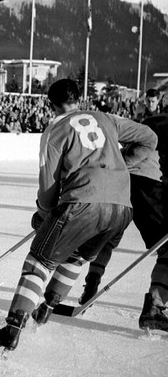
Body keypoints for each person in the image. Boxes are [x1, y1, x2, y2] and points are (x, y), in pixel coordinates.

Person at [0, 79, 158, 351]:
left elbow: (48, 185)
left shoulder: (55, 129)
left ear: (50, 104)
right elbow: (149, 138)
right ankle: (47, 307)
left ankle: (12, 327)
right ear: (78, 99)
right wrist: (121, 166)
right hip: (122, 208)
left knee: (39, 259)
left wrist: (44, 214)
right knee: (76, 257)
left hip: (83, 203)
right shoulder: (104, 118)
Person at [78, 112, 168, 331]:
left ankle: (93, 279)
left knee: (111, 232)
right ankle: (155, 306)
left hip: (121, 180)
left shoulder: (153, 119)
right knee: (167, 248)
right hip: (148, 185)